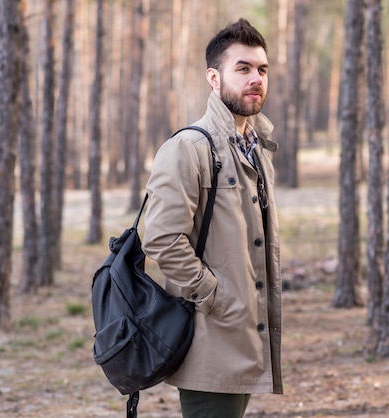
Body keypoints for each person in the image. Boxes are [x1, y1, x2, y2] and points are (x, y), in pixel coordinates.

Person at [142, 18, 283, 418]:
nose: (256, 78)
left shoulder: (257, 148)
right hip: (211, 339)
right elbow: (163, 240)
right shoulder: (189, 148)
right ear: (214, 77)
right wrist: (217, 297)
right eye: (242, 68)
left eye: (262, 70)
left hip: (244, 338)